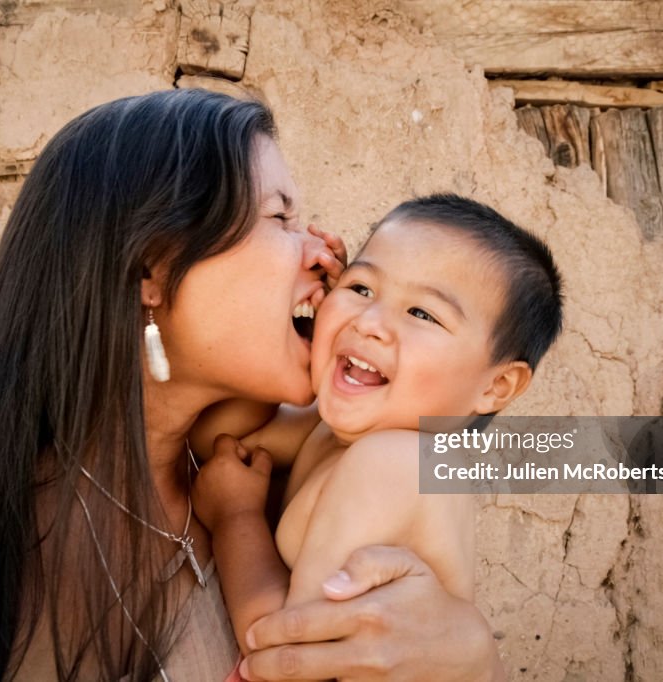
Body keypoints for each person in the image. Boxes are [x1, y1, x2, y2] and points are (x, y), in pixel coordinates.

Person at [0, 90, 502, 681]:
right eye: (283, 218)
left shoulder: (278, 482)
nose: (331, 253)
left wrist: (475, 654)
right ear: (153, 269)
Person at [190, 195, 563, 678]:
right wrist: (308, 326)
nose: (369, 324)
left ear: (496, 385)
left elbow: (288, 651)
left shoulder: (397, 464)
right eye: (362, 287)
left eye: (422, 314)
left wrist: (235, 517)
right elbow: (216, 437)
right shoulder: (335, 430)